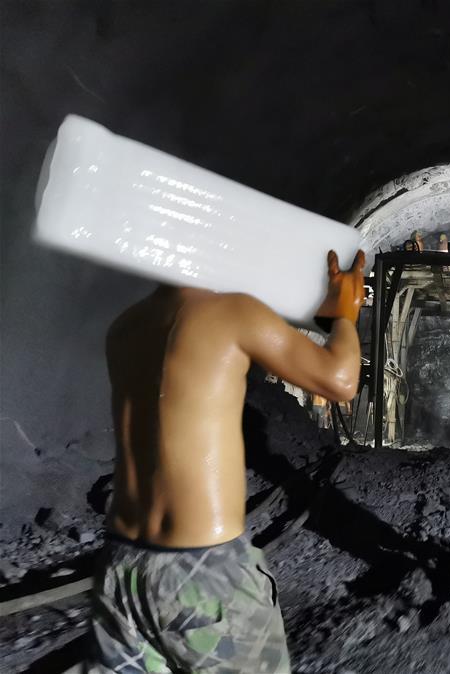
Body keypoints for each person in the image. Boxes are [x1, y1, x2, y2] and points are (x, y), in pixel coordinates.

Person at [88, 249, 366, 673]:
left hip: (122, 568)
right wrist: (342, 312)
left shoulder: (124, 327)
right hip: (202, 573)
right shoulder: (233, 312)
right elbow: (340, 380)